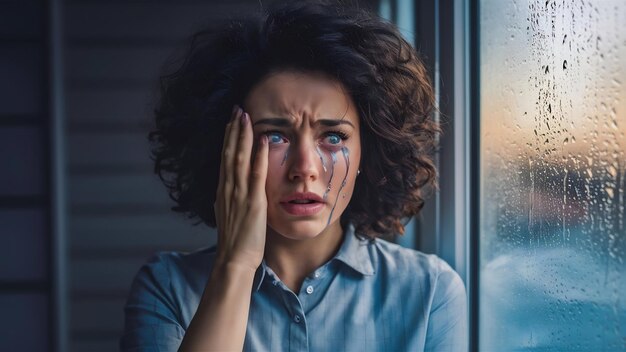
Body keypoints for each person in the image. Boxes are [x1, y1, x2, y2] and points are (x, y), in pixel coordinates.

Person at [120, 1, 467, 351]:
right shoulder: (166, 287)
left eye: (333, 137)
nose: (305, 167)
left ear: (368, 149)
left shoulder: (429, 291)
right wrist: (236, 267)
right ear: (225, 150)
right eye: (275, 135)